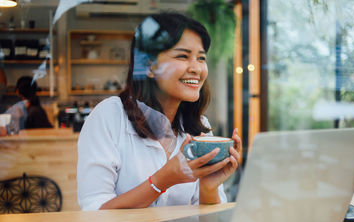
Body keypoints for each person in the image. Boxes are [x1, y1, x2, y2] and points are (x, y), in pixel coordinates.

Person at [77, 12, 242, 211]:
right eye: (183, 56)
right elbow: (94, 211)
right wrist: (162, 180)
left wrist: (208, 186)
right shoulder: (109, 116)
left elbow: (206, 219)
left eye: (201, 58)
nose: (197, 68)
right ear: (149, 65)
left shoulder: (201, 129)